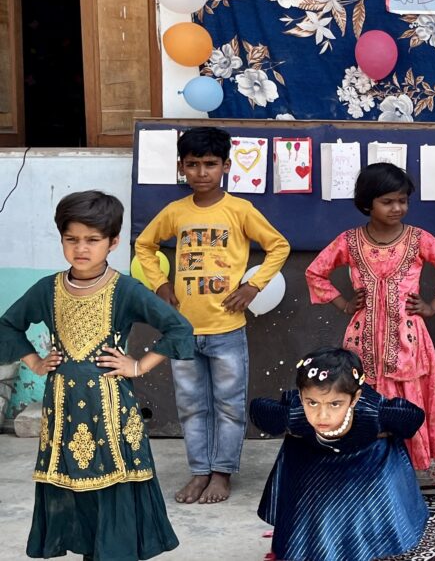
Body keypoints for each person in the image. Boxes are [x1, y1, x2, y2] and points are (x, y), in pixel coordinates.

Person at [0, 190, 194, 561]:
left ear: (113, 242)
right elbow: (8, 326)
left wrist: (138, 365)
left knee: (114, 484)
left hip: (112, 408)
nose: (81, 249)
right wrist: (35, 361)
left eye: (92, 240)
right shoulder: (47, 289)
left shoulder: (126, 290)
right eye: (71, 239)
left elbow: (178, 328)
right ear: (61, 240)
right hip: (63, 408)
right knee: (73, 483)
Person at [135, 126, 291, 504]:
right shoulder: (175, 212)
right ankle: (199, 472)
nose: (201, 172)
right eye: (192, 165)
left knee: (229, 405)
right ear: (181, 168)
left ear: (226, 165)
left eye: (209, 164)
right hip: (183, 332)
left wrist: (254, 287)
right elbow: (144, 244)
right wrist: (160, 284)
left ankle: (222, 474)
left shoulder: (239, 210)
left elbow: (278, 246)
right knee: (191, 406)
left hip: (227, 331)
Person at [305, 163, 435, 471]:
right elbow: (316, 272)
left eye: (403, 200)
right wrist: (343, 304)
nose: (397, 208)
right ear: (367, 203)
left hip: (407, 340)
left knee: (407, 400)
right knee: (361, 395)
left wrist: (432, 307)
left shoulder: (418, 239)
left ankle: (405, 467)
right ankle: (366, 465)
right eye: (387, 201)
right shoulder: (349, 242)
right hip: (361, 340)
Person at [251, 347, 428, 561]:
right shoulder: (296, 412)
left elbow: (412, 417)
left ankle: (368, 541)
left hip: (364, 463)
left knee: (384, 455)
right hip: (314, 461)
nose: (322, 415)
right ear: (301, 396)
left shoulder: (372, 412)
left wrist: (380, 432)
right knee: (308, 484)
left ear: (354, 399)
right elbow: (259, 409)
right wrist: (291, 425)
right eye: (312, 403)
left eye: (335, 404)